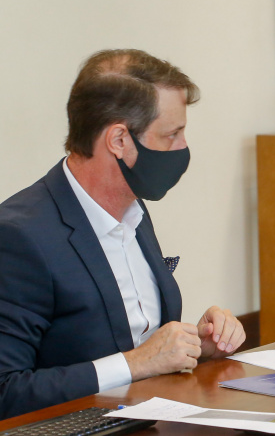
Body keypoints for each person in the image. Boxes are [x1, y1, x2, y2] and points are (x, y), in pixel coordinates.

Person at [0, 49, 246, 419]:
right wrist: (134, 363)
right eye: (171, 134)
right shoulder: (19, 236)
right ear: (119, 140)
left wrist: (197, 345)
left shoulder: (133, 208)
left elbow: (138, 342)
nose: (182, 148)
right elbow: (7, 391)